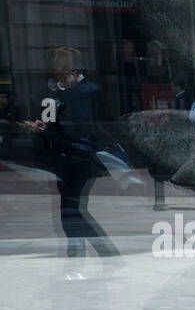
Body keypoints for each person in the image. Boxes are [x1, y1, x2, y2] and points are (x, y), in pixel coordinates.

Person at [22, 47, 121, 264]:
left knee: (71, 210)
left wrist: (49, 129)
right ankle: (88, 254)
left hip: (79, 157)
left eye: (65, 71)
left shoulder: (87, 91)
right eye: (59, 71)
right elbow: (50, 121)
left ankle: (95, 254)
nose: (62, 76)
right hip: (61, 158)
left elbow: (81, 128)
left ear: (75, 70)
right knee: (71, 209)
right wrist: (42, 126)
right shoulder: (54, 93)